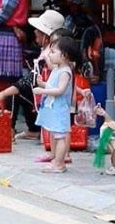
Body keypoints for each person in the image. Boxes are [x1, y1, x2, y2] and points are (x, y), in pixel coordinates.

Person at [0, 9, 68, 133]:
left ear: (47, 37)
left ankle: (9, 130)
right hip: (49, 100)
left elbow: (29, 80)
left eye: (39, 30)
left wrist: (2, 94)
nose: (35, 31)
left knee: (15, 93)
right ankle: (31, 130)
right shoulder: (53, 52)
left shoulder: (49, 55)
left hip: (50, 104)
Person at [35, 36, 81, 174]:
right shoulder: (57, 69)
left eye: (53, 52)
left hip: (60, 109)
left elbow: (60, 90)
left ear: (64, 55)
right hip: (54, 108)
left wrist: (43, 90)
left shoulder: (65, 71)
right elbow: (52, 85)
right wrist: (43, 83)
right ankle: (57, 161)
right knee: (56, 135)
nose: (50, 55)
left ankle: (59, 164)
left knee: (60, 137)